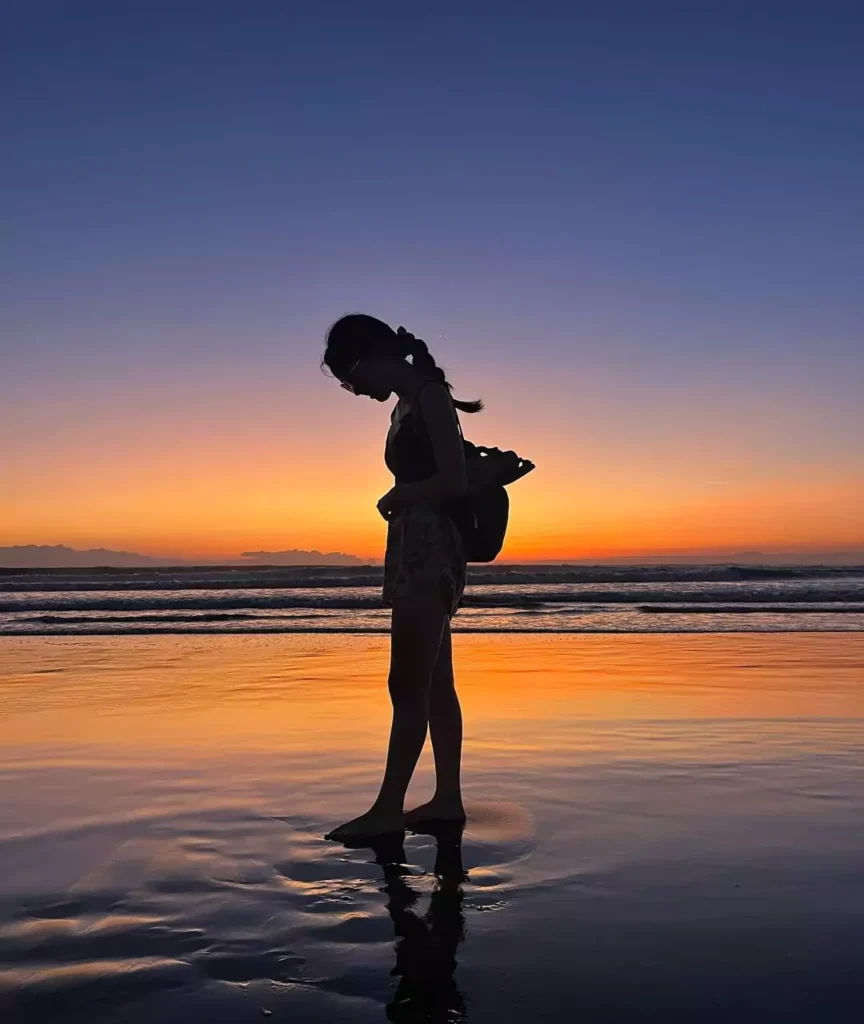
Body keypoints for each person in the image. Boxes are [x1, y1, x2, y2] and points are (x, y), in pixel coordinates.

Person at [322, 314, 482, 839]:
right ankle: (447, 800)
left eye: (350, 378)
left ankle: (389, 808)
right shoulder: (408, 403)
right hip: (419, 548)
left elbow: (455, 479)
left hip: (429, 553)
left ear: (370, 359)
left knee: (406, 683)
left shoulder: (431, 397)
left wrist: (400, 495)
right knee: (436, 683)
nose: (354, 391)